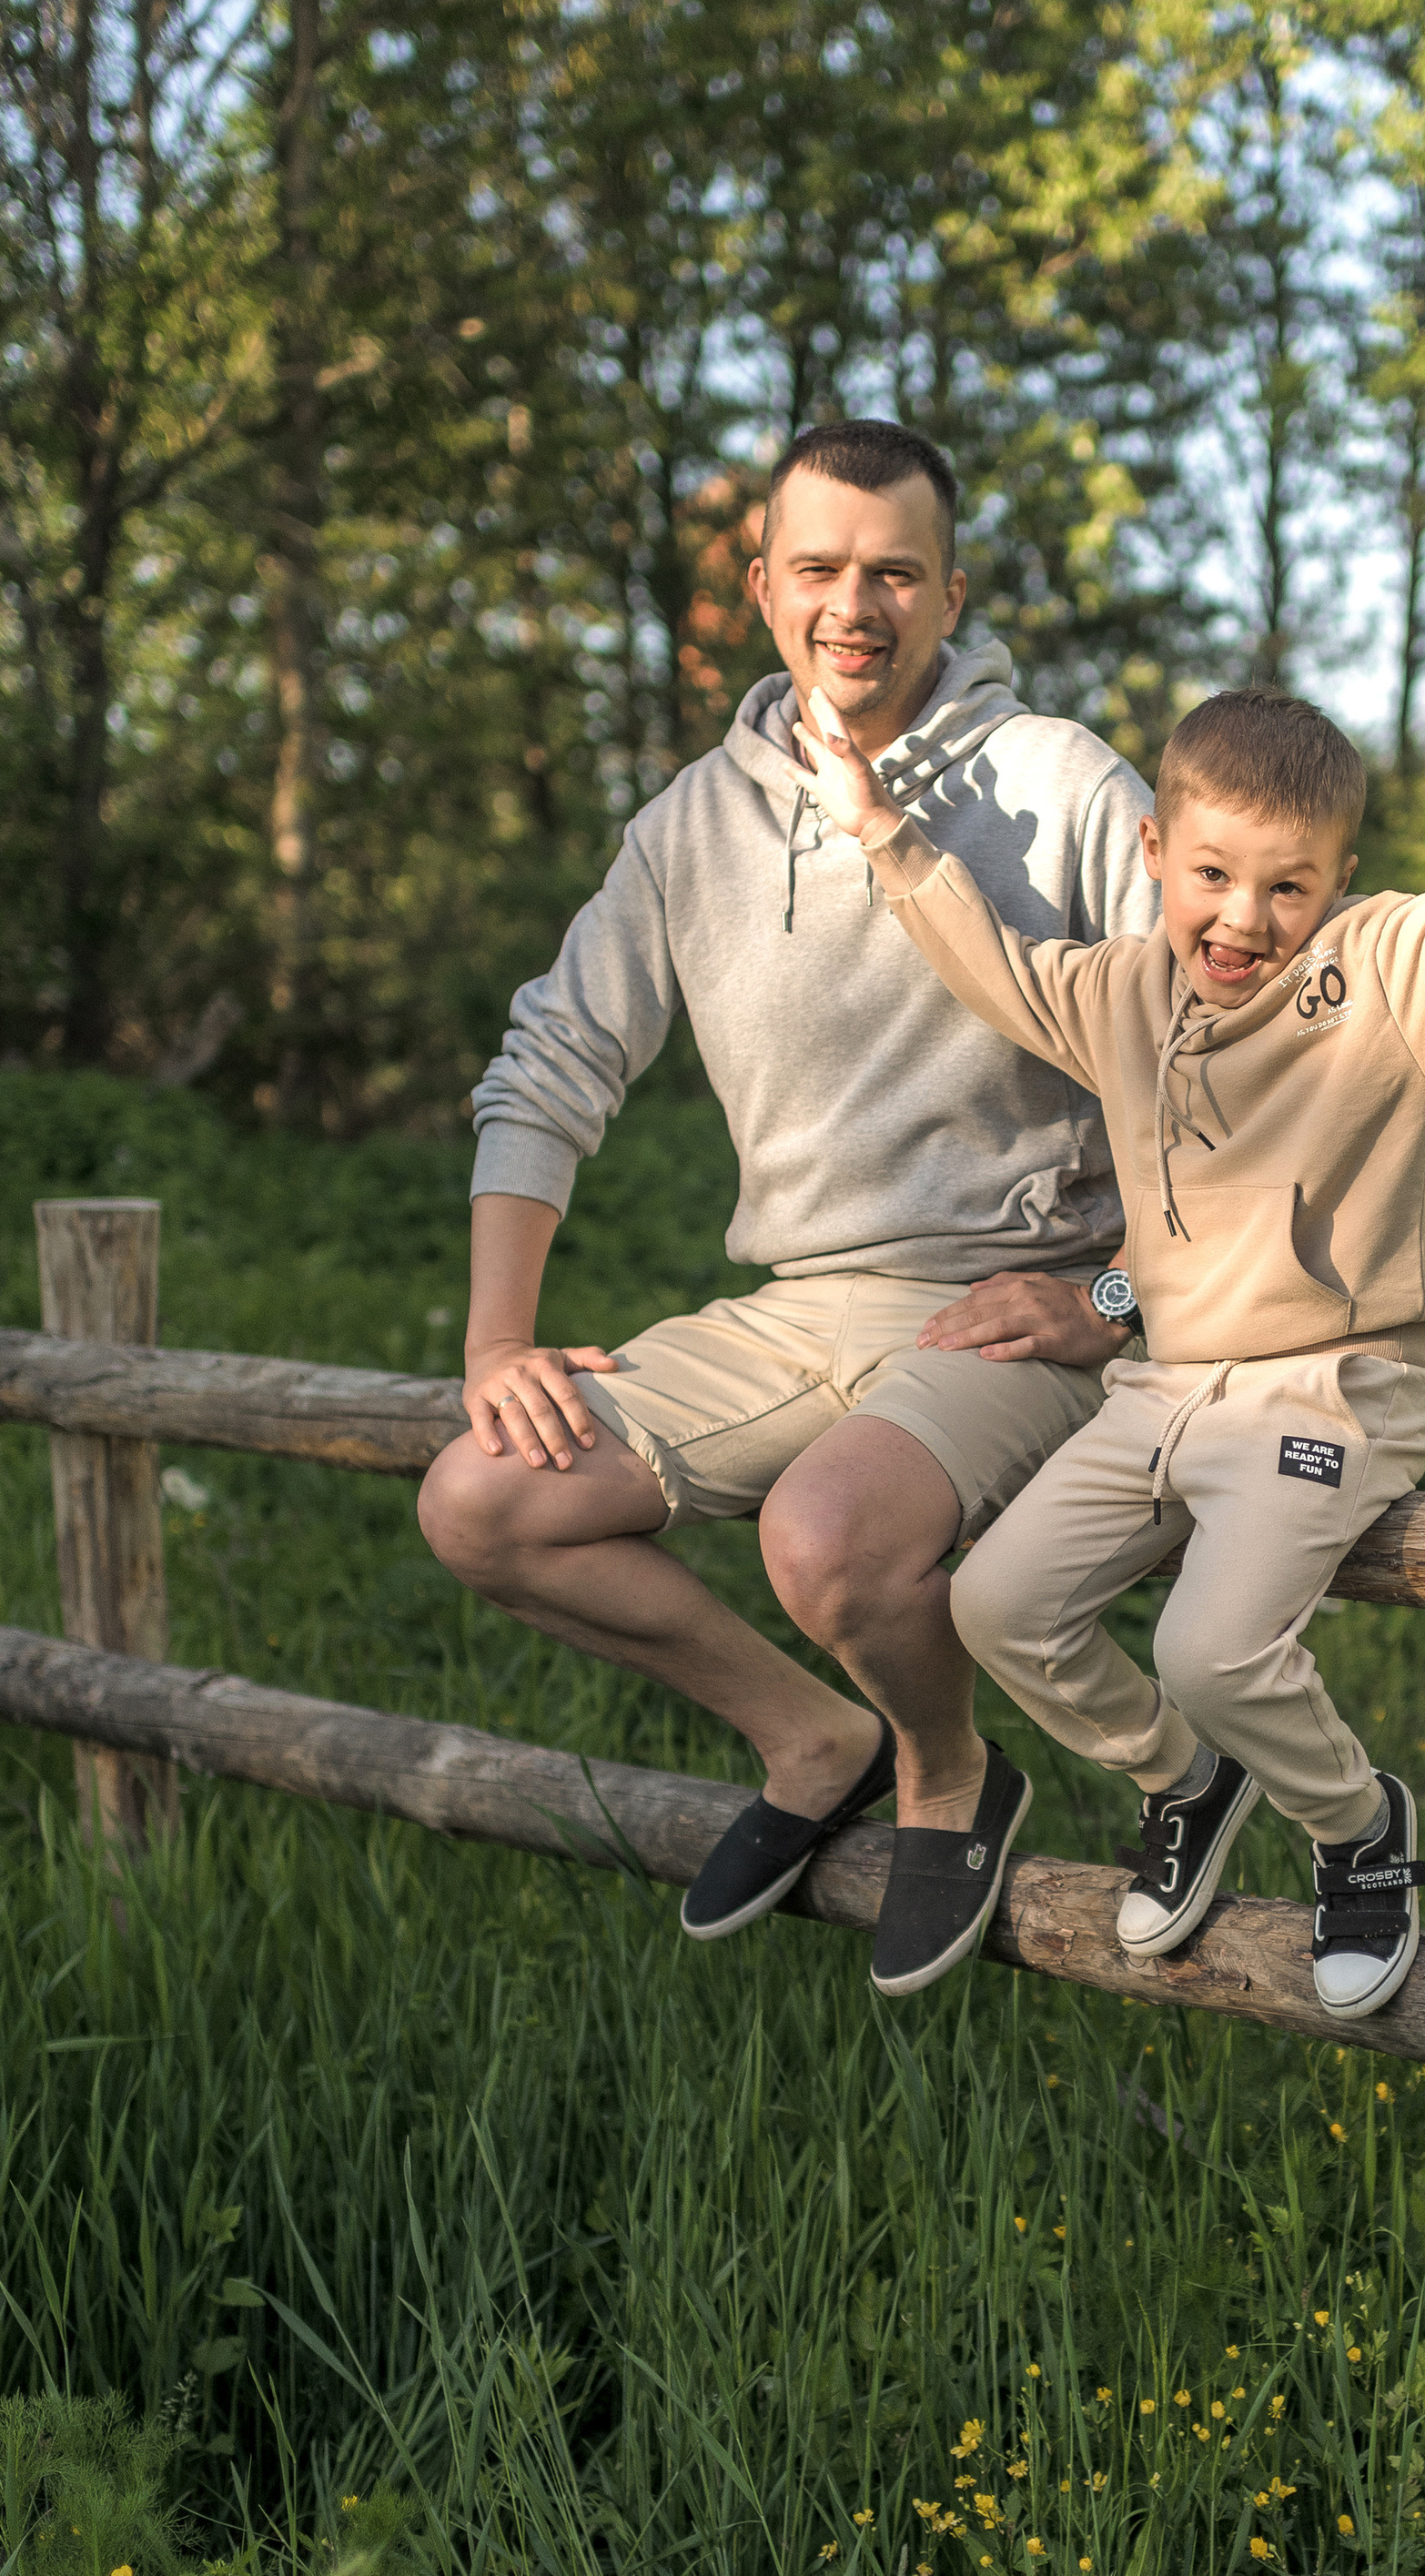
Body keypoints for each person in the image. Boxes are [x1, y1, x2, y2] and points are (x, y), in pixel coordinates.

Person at [793, 681, 1425, 2019]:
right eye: (1213, 876)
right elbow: (995, 965)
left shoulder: (1386, 971)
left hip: (1334, 1388)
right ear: (1156, 848)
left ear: (1341, 878)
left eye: (1289, 887)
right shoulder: (1122, 992)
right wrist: (882, 831)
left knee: (1210, 1651)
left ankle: (1358, 1829)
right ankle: (1186, 1780)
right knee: (996, 1607)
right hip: (1158, 1388)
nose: (1244, 919)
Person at [416, 421, 1158, 1998]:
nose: (854, 606)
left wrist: (1117, 1297)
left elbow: (1223, 1070)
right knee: (482, 1501)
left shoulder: (1063, 783)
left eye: (894, 571)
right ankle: (811, 1738)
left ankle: (947, 1768)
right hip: (795, 1308)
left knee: (824, 1539)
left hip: (1014, 1303)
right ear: (761, 588)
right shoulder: (693, 825)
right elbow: (548, 1064)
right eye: (818, 568)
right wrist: (495, 1340)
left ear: (951, 593)